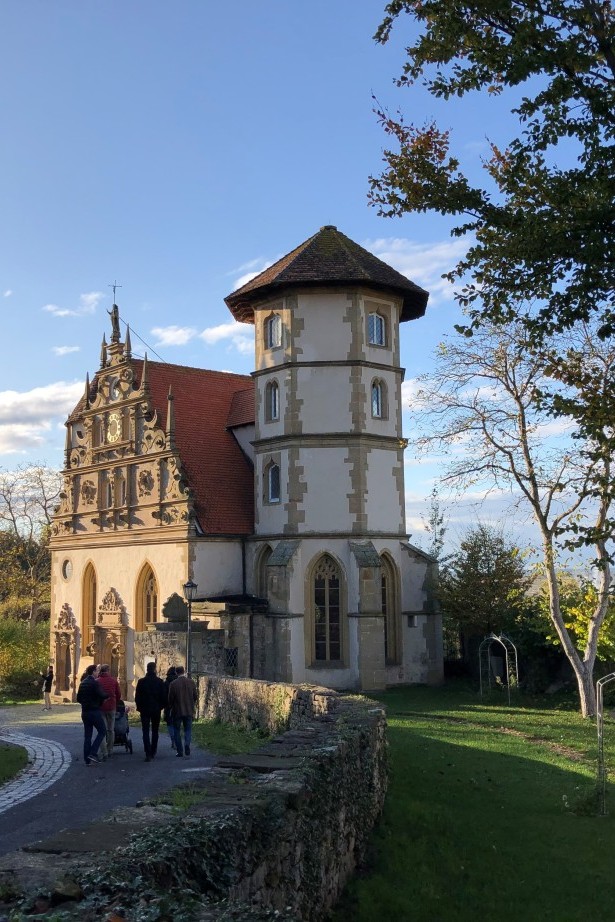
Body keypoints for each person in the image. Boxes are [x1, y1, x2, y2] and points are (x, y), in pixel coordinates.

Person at [76, 664, 108, 765]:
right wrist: (107, 696)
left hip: (85, 712)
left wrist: (85, 703)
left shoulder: (82, 683)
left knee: (87, 736)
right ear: (93, 672)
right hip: (94, 711)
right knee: (102, 731)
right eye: (97, 671)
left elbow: (78, 698)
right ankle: (93, 752)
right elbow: (102, 695)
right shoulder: (95, 683)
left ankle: (87, 759)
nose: (98, 673)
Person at [135, 662, 167, 762]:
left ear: (147, 669)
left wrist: (139, 707)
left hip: (144, 709)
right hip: (156, 709)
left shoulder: (141, 682)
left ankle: (147, 752)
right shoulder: (159, 682)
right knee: (155, 731)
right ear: (154, 669)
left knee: (145, 731)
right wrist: (161, 707)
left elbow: (137, 697)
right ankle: (153, 750)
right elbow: (163, 697)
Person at [168, 665, 197, 758]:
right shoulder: (191, 682)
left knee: (177, 731)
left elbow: (170, 699)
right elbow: (195, 696)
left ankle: (180, 751)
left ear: (176, 673)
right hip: (188, 710)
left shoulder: (173, 684)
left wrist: (171, 707)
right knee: (188, 730)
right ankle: (187, 744)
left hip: (177, 711)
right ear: (184, 671)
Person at [96, 664, 121, 760]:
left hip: (101, 708)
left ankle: (104, 751)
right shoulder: (113, 681)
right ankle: (110, 749)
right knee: (111, 730)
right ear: (108, 670)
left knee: (102, 730)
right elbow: (118, 694)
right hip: (111, 707)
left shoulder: (97, 681)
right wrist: (115, 702)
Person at [163, 666, 178, 749]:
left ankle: (173, 740)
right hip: (177, 706)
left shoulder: (166, 683)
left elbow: (164, 695)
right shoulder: (178, 682)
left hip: (168, 706)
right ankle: (176, 740)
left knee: (170, 724)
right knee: (176, 724)